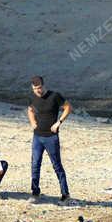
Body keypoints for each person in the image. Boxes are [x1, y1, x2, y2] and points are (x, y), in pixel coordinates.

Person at [27, 75, 72, 205]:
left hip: (51, 137)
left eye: (40, 88)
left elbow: (68, 107)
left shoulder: (55, 96)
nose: (38, 91)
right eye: (35, 89)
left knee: (57, 165)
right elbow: (30, 110)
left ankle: (65, 194)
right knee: (35, 164)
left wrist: (59, 122)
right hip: (37, 136)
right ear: (32, 88)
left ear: (43, 85)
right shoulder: (32, 97)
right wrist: (32, 122)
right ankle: (35, 193)